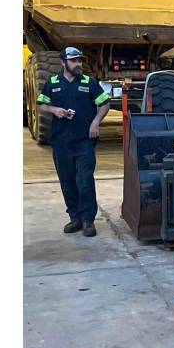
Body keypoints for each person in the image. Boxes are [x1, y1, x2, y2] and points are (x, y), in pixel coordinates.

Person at [36, 47, 110, 236]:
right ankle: (75, 218)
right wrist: (54, 110)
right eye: (74, 61)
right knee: (67, 182)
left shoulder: (89, 82)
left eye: (80, 60)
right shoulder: (52, 83)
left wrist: (95, 122)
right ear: (63, 63)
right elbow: (41, 104)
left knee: (84, 180)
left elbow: (104, 103)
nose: (79, 64)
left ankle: (88, 220)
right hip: (61, 142)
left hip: (84, 141)